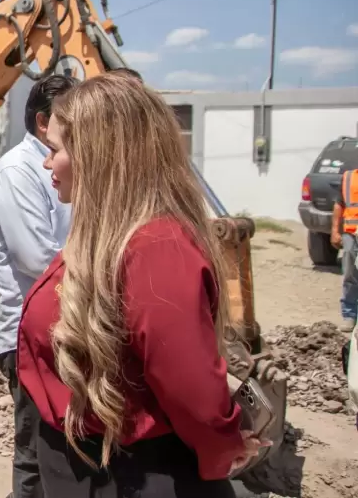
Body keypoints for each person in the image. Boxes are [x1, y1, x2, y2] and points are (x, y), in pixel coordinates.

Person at [17, 73, 268, 497]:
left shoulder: (157, 249)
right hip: (88, 465)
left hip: (132, 476)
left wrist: (222, 446)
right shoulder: (107, 238)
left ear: (99, 157)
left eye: (55, 150)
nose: (46, 164)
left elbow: (192, 387)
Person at [0, 74, 77, 498]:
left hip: (64, 330)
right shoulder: (16, 171)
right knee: (37, 457)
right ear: (44, 122)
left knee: (59, 452)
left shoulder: (69, 168)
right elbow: (39, 259)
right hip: (29, 338)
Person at [331, 167, 358, 332]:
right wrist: (335, 230)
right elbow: (339, 204)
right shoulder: (348, 178)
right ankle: (349, 315)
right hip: (350, 233)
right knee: (350, 273)